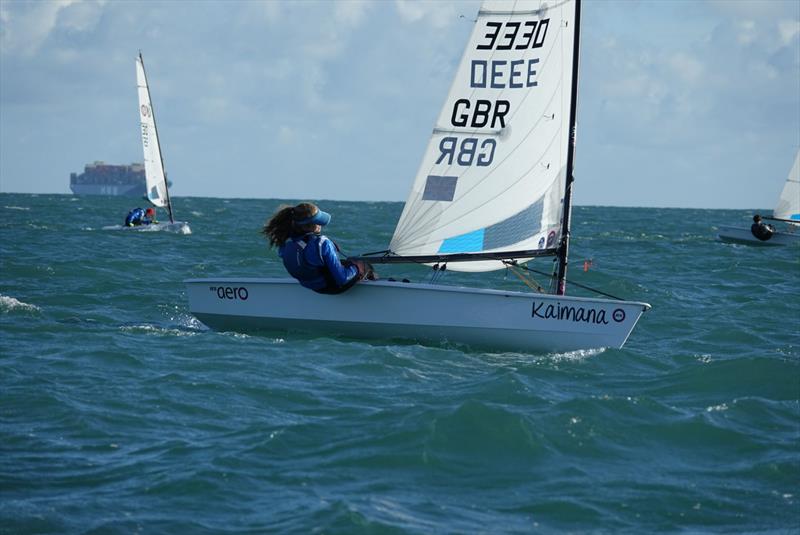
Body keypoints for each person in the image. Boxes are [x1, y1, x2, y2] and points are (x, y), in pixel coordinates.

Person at [261, 202, 373, 294]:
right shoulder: (323, 243)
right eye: (319, 222)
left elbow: (303, 255)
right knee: (363, 265)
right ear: (312, 225)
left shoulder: (286, 242)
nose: (321, 225)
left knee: (344, 263)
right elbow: (342, 279)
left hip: (309, 285)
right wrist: (357, 268)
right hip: (330, 287)